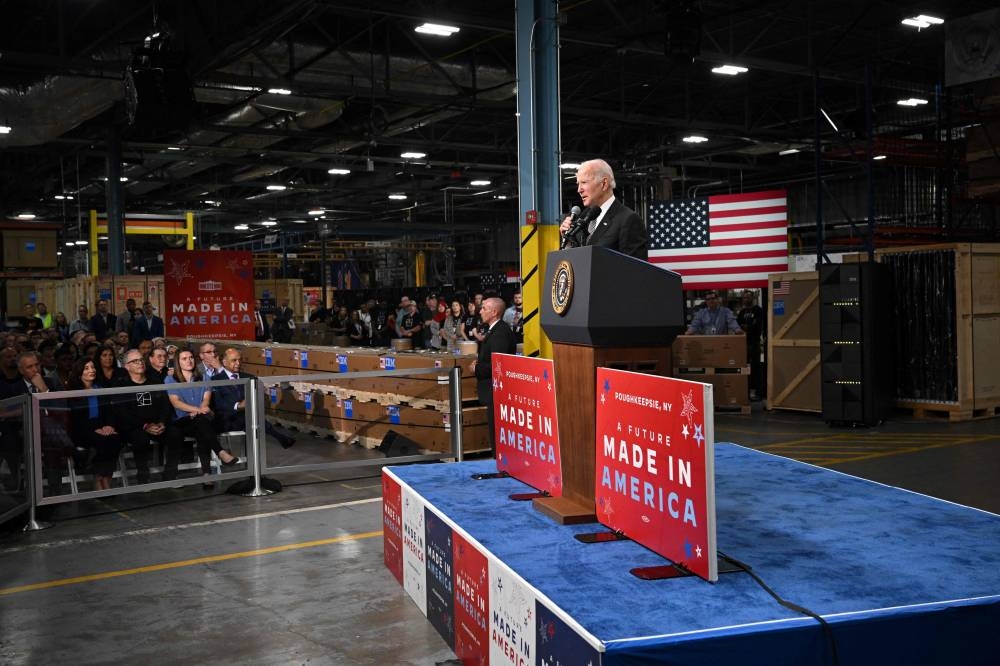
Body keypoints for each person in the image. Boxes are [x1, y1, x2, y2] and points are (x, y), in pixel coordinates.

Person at [165, 349, 240, 484]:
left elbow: (206, 399)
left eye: (191, 357)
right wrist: (197, 409)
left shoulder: (204, 377)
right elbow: (176, 403)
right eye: (184, 358)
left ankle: (208, 473)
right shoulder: (170, 379)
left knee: (201, 425)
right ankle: (216, 460)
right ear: (178, 362)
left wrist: (200, 410)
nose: (189, 361)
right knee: (203, 425)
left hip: (201, 417)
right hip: (183, 420)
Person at [113, 348, 184, 484]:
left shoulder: (155, 381)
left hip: (157, 425)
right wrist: (145, 426)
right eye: (135, 361)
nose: (140, 363)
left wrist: (162, 422)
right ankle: (143, 476)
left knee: (176, 433)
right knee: (140, 437)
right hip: (135, 427)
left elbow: (165, 405)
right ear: (126, 366)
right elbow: (123, 413)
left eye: (141, 360)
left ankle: (170, 474)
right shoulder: (121, 385)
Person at [558, 159, 648, 260]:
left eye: (584, 182)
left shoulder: (628, 220)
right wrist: (569, 243)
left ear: (604, 184)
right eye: (578, 183)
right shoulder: (581, 219)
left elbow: (635, 271)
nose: (579, 190)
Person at [212, 347, 295, 448]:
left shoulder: (250, 377)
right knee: (253, 420)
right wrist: (237, 406)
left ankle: (256, 453)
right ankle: (280, 438)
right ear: (224, 362)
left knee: (253, 419)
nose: (238, 363)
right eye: (234, 360)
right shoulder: (215, 380)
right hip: (227, 419)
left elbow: (258, 395)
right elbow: (218, 403)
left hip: (247, 416)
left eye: (239, 360)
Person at [67, 357, 122, 490]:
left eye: (93, 367)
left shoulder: (100, 388)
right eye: (87, 368)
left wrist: (109, 425)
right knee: (102, 441)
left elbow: (109, 411)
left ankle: (106, 477)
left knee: (115, 438)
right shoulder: (73, 392)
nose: (92, 370)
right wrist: (95, 429)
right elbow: (76, 419)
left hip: (102, 427)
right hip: (81, 430)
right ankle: (98, 478)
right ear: (79, 372)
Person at [469, 297, 516, 451]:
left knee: (498, 433)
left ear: (494, 312)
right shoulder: (494, 330)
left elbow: (498, 365)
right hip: (492, 390)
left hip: (497, 391)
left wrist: (476, 368)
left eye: (484, 308)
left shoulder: (499, 333)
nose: (480, 311)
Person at [737, 289, 765, 401]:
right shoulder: (742, 312)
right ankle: (746, 391)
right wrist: (747, 327)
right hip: (743, 344)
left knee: (756, 368)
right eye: (744, 297)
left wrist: (747, 327)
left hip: (754, 343)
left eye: (748, 297)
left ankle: (758, 393)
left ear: (752, 298)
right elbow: (738, 326)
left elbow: (757, 326)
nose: (746, 299)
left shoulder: (758, 310)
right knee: (744, 368)